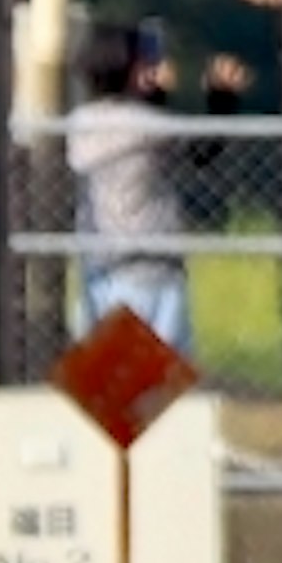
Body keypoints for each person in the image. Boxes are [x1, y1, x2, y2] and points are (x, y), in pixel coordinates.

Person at [63, 19, 193, 350]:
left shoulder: (80, 122)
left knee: (106, 383)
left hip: (99, 264)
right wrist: (221, 101)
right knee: (156, 380)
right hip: (153, 264)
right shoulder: (148, 125)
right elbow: (202, 152)